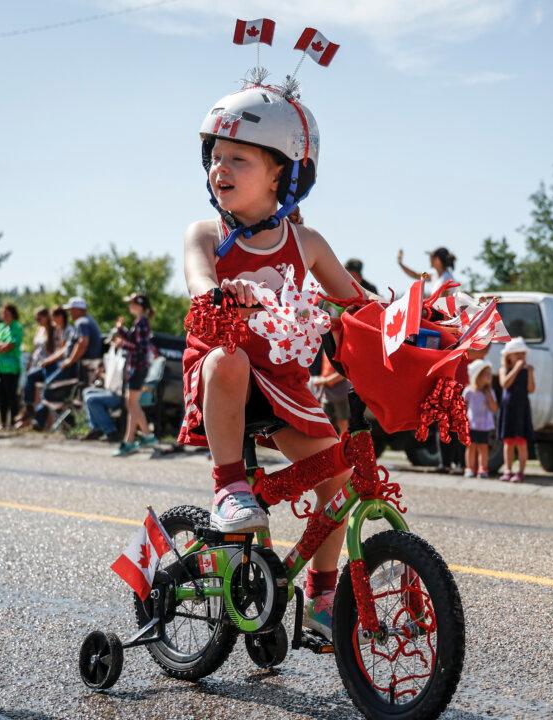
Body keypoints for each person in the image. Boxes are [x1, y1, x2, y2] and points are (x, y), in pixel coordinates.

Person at [179, 80, 361, 642]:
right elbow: (198, 279)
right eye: (215, 157)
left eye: (239, 158)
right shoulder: (206, 233)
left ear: (281, 172)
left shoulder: (307, 244)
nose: (220, 168)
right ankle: (229, 487)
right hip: (222, 373)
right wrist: (219, 293)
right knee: (229, 358)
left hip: (283, 385)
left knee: (340, 475)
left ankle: (324, 597)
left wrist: (420, 319)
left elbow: (360, 304)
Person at [112, 294, 158, 456]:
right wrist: (121, 330)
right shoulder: (140, 322)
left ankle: (147, 435)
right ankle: (130, 440)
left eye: (131, 304)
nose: (129, 306)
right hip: (137, 368)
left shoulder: (141, 322)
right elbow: (133, 339)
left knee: (131, 403)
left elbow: (139, 348)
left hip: (138, 367)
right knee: (132, 403)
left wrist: (122, 344)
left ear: (139, 305)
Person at [498, 337, 536, 483]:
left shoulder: (526, 372)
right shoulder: (504, 370)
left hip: (522, 409)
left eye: (523, 354)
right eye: (517, 354)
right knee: (508, 441)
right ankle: (507, 470)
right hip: (509, 409)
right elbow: (505, 384)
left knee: (521, 441)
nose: (521, 357)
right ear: (509, 356)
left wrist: (530, 373)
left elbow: (531, 389)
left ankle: (520, 471)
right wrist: (516, 369)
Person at [0, 303, 24, 429]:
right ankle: (2, 423)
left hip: (12, 368)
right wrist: (0, 346)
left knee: (11, 395)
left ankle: (13, 422)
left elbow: (10, 345)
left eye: (7, 313)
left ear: (13, 314)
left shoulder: (17, 327)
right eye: (3, 313)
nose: (5, 315)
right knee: (1, 397)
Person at [18, 307, 56, 426]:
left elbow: (53, 349)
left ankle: (33, 414)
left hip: (47, 365)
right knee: (27, 382)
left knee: (34, 381)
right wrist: (29, 363)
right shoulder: (39, 330)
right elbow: (35, 349)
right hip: (35, 364)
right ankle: (28, 409)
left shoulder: (53, 330)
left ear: (47, 317)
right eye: (36, 318)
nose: (37, 320)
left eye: (40, 318)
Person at [463, 359, 497, 479]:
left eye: (489, 374)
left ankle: (483, 468)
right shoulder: (469, 391)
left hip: (484, 425)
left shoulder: (490, 392)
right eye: (486, 374)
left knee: (483, 447)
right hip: (471, 424)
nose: (489, 376)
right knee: (471, 446)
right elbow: (463, 406)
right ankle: (469, 468)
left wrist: (488, 396)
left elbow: (494, 408)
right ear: (477, 376)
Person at [309, 353, 352, 435]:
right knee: (324, 420)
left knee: (342, 421)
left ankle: (345, 441)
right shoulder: (324, 350)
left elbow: (344, 371)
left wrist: (326, 380)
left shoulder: (340, 350)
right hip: (326, 392)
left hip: (340, 393)